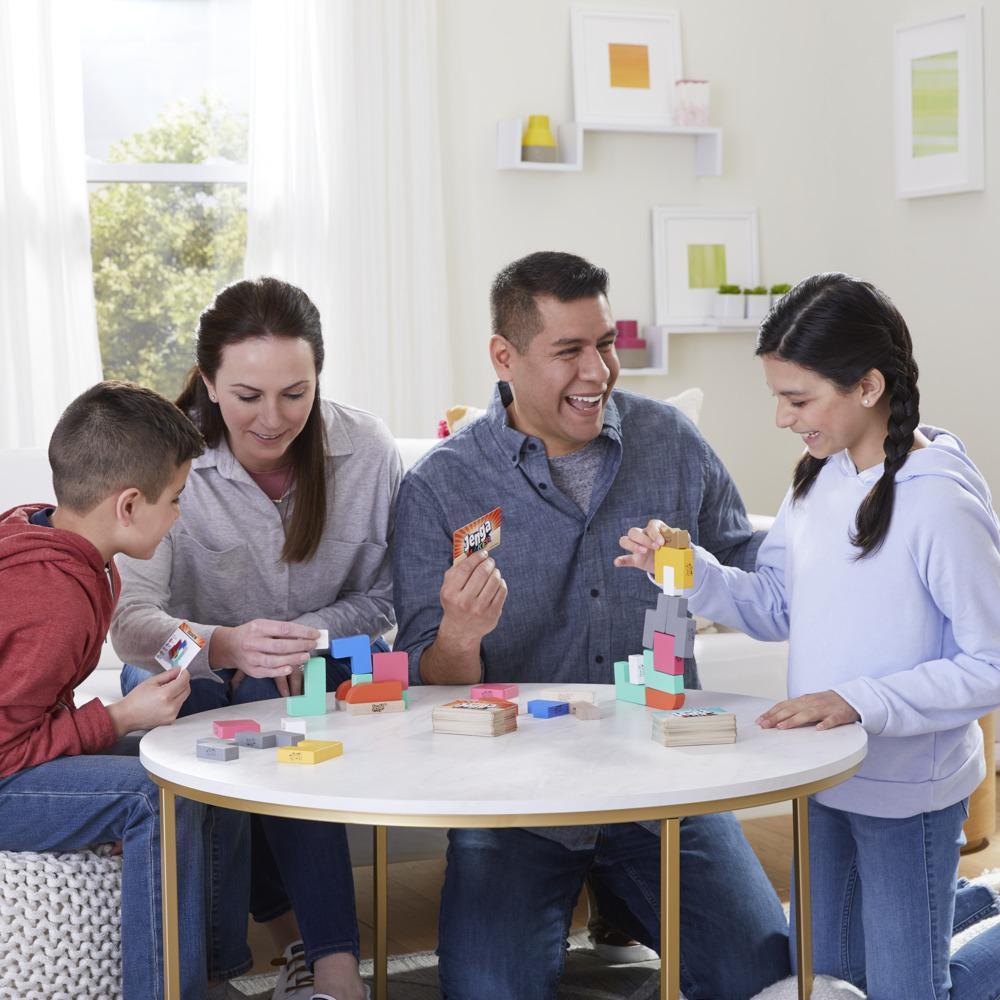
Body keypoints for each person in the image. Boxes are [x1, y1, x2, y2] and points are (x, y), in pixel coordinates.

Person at [392, 251, 791, 999]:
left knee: (761, 978)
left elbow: (755, 573)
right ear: (503, 357)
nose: (598, 371)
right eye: (568, 351)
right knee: (488, 991)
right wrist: (458, 637)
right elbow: (418, 680)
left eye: (605, 343)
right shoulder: (441, 486)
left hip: (664, 785)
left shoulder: (670, 441)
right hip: (514, 804)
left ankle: (627, 900)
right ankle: (608, 903)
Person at [618, 272, 1000, 999]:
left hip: (909, 791)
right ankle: (952, 910)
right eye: (778, 397)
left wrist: (856, 700)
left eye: (797, 399)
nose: (781, 419)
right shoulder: (815, 482)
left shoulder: (940, 501)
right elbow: (774, 606)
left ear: (867, 386)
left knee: (907, 992)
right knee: (826, 982)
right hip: (823, 778)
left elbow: (990, 662)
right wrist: (689, 569)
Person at [112, 277, 399, 1000]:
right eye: (246, 396)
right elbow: (131, 625)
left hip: (319, 662)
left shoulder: (365, 450)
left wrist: (304, 639)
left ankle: (335, 973)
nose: (273, 419)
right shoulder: (162, 461)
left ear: (318, 379)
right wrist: (225, 646)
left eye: (294, 393)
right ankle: (218, 968)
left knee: (297, 711)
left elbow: (390, 597)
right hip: (192, 673)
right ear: (208, 382)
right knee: (212, 710)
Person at [0, 381, 210, 999]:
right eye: (174, 500)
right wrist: (117, 718)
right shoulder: (56, 596)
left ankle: (208, 966)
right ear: (128, 505)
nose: (178, 516)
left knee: (187, 765)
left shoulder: (55, 541)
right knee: (157, 795)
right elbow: (7, 751)